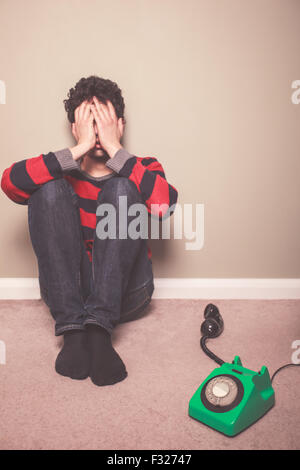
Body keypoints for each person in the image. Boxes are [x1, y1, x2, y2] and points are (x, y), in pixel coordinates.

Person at [1, 75, 178, 386]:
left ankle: (98, 332)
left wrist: (114, 148)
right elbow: (10, 184)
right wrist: (79, 148)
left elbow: (165, 205)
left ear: (120, 125)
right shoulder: (60, 172)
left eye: (105, 123)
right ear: (75, 128)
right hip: (69, 292)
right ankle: (73, 330)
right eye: (89, 124)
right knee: (49, 189)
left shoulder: (143, 166)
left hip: (128, 293)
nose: (97, 133)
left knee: (123, 188)